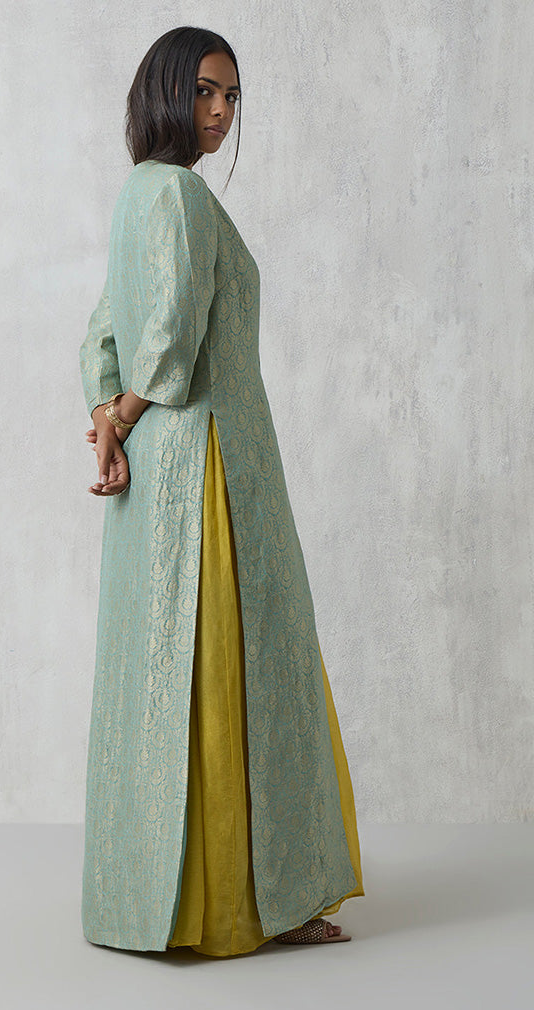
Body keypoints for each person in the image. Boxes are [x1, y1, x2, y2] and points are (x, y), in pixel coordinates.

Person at [78, 26, 365, 958]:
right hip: (208, 458)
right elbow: (168, 334)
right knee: (244, 664)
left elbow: (104, 331)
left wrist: (110, 419)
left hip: (150, 472)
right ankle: (255, 902)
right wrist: (126, 410)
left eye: (232, 96)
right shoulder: (180, 196)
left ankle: (151, 904)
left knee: (160, 675)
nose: (220, 110)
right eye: (205, 89)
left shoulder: (136, 196)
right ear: (166, 90)